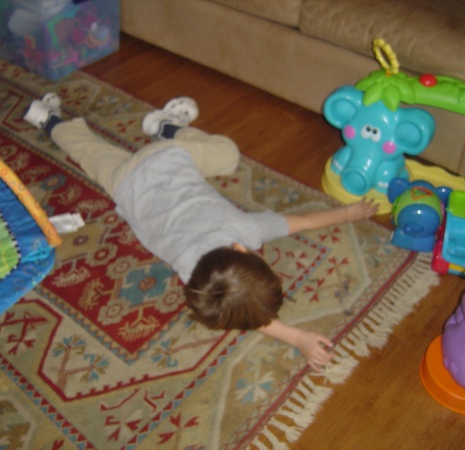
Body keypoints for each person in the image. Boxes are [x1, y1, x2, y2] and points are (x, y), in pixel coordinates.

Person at [23, 94, 378, 371]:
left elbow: (301, 223)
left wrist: (347, 212)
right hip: (128, 183)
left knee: (228, 154)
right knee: (89, 153)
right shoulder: (192, 273)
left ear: (241, 248)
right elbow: (239, 307)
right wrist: (296, 337)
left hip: (165, 158)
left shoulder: (244, 230)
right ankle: (48, 120)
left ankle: (166, 128)